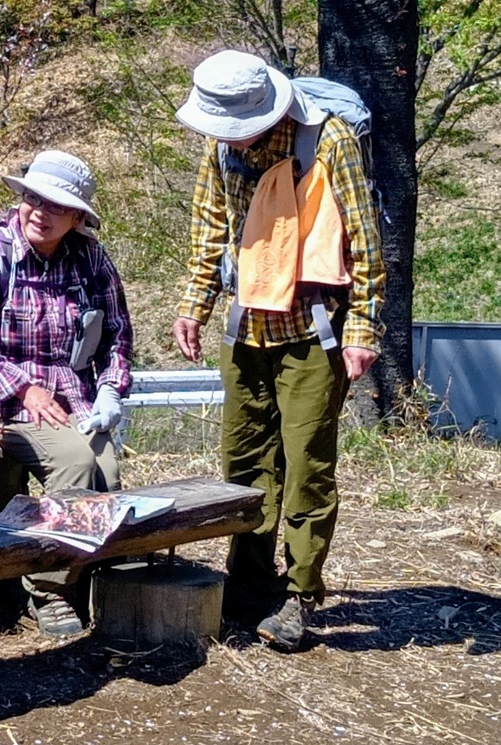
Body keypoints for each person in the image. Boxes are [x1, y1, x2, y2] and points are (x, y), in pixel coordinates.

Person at [171, 50, 385, 651]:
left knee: (306, 468)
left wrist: (364, 329)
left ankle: (300, 595)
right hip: (247, 329)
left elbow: (367, 240)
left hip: (312, 332)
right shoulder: (221, 147)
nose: (228, 138)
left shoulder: (329, 140)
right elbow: (210, 228)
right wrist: (195, 305)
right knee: (243, 461)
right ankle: (247, 584)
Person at [0, 149, 134, 637]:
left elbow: (118, 333)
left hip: (73, 400)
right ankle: (49, 590)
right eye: (34, 198)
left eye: (56, 206)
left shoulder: (90, 259)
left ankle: (88, 574)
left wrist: (111, 391)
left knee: (108, 471)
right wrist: (25, 388)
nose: (41, 212)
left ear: (77, 218)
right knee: (75, 463)